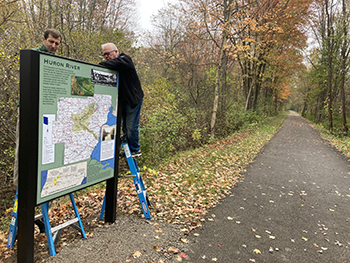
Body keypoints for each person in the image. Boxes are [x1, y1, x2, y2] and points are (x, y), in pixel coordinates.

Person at [13, 28, 62, 186]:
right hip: (29, 108)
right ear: (44, 40)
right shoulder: (32, 55)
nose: (53, 46)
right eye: (51, 42)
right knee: (24, 146)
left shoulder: (56, 61)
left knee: (46, 146)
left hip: (47, 110)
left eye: (57, 43)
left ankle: (42, 183)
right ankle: (19, 183)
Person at [99, 43, 144, 157]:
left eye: (108, 54)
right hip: (122, 102)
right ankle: (128, 150)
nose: (106, 57)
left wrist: (100, 65)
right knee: (124, 127)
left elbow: (116, 63)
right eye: (104, 55)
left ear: (116, 51)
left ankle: (135, 150)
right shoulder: (115, 66)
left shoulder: (125, 59)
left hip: (133, 100)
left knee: (130, 126)